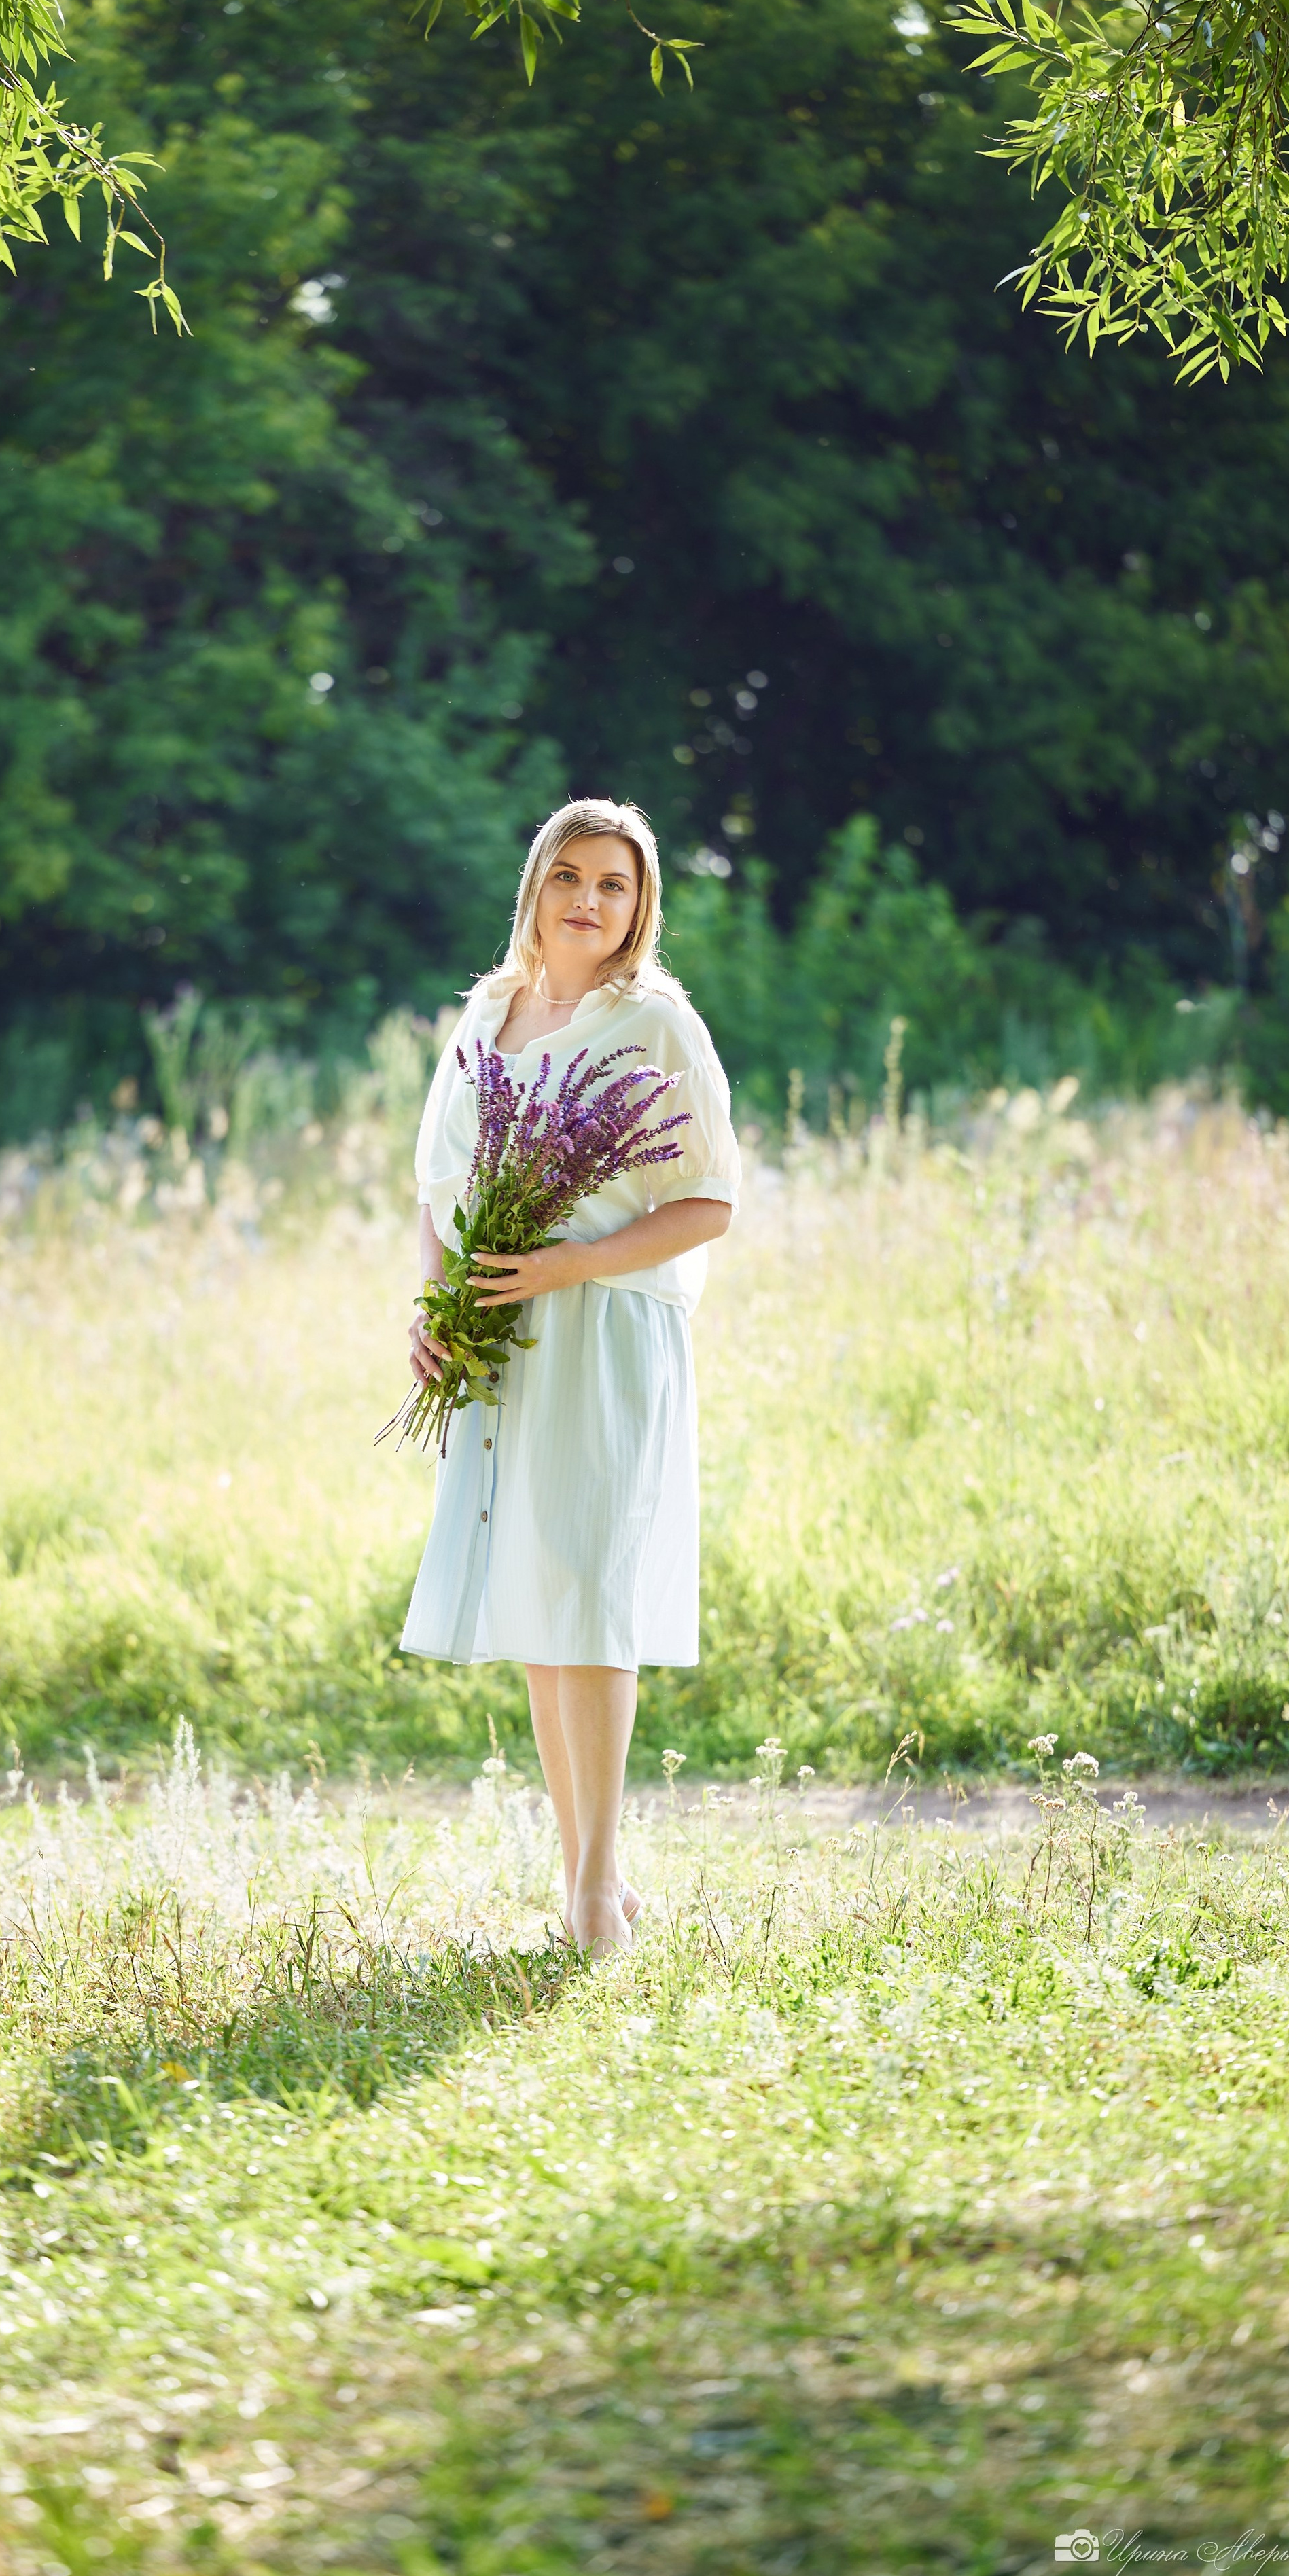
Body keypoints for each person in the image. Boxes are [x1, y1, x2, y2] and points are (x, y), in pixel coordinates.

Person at [400, 799, 741, 1955]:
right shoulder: (487, 1012)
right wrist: (438, 1306)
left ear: (643, 906)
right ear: (535, 887)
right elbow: (445, 1185)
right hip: (505, 1337)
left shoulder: (654, 1023)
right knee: (547, 1605)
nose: (591, 902)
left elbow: (712, 1199)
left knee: (593, 1601)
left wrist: (574, 1261)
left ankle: (594, 1898)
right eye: (572, 878)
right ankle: (592, 1872)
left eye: (617, 885)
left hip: (602, 1327)